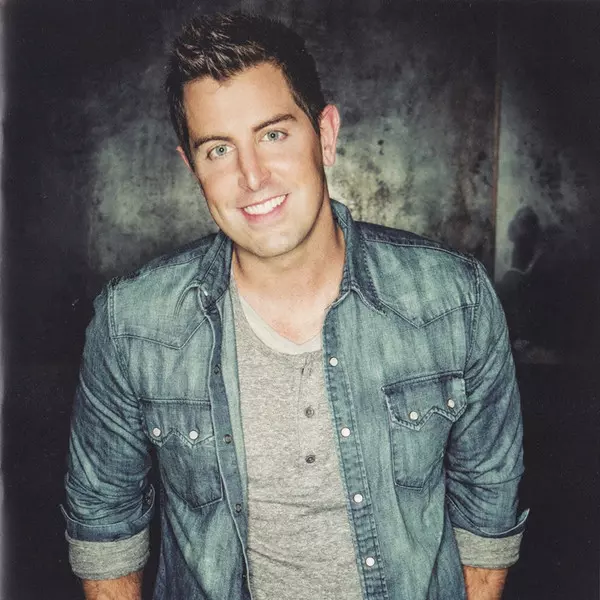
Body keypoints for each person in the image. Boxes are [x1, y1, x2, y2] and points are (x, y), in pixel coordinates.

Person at [63, 12, 527, 600]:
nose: (252, 176)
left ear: (325, 135)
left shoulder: (454, 300)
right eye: (218, 150)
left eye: (273, 135)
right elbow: (104, 523)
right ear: (192, 167)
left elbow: (489, 508)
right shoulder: (132, 323)